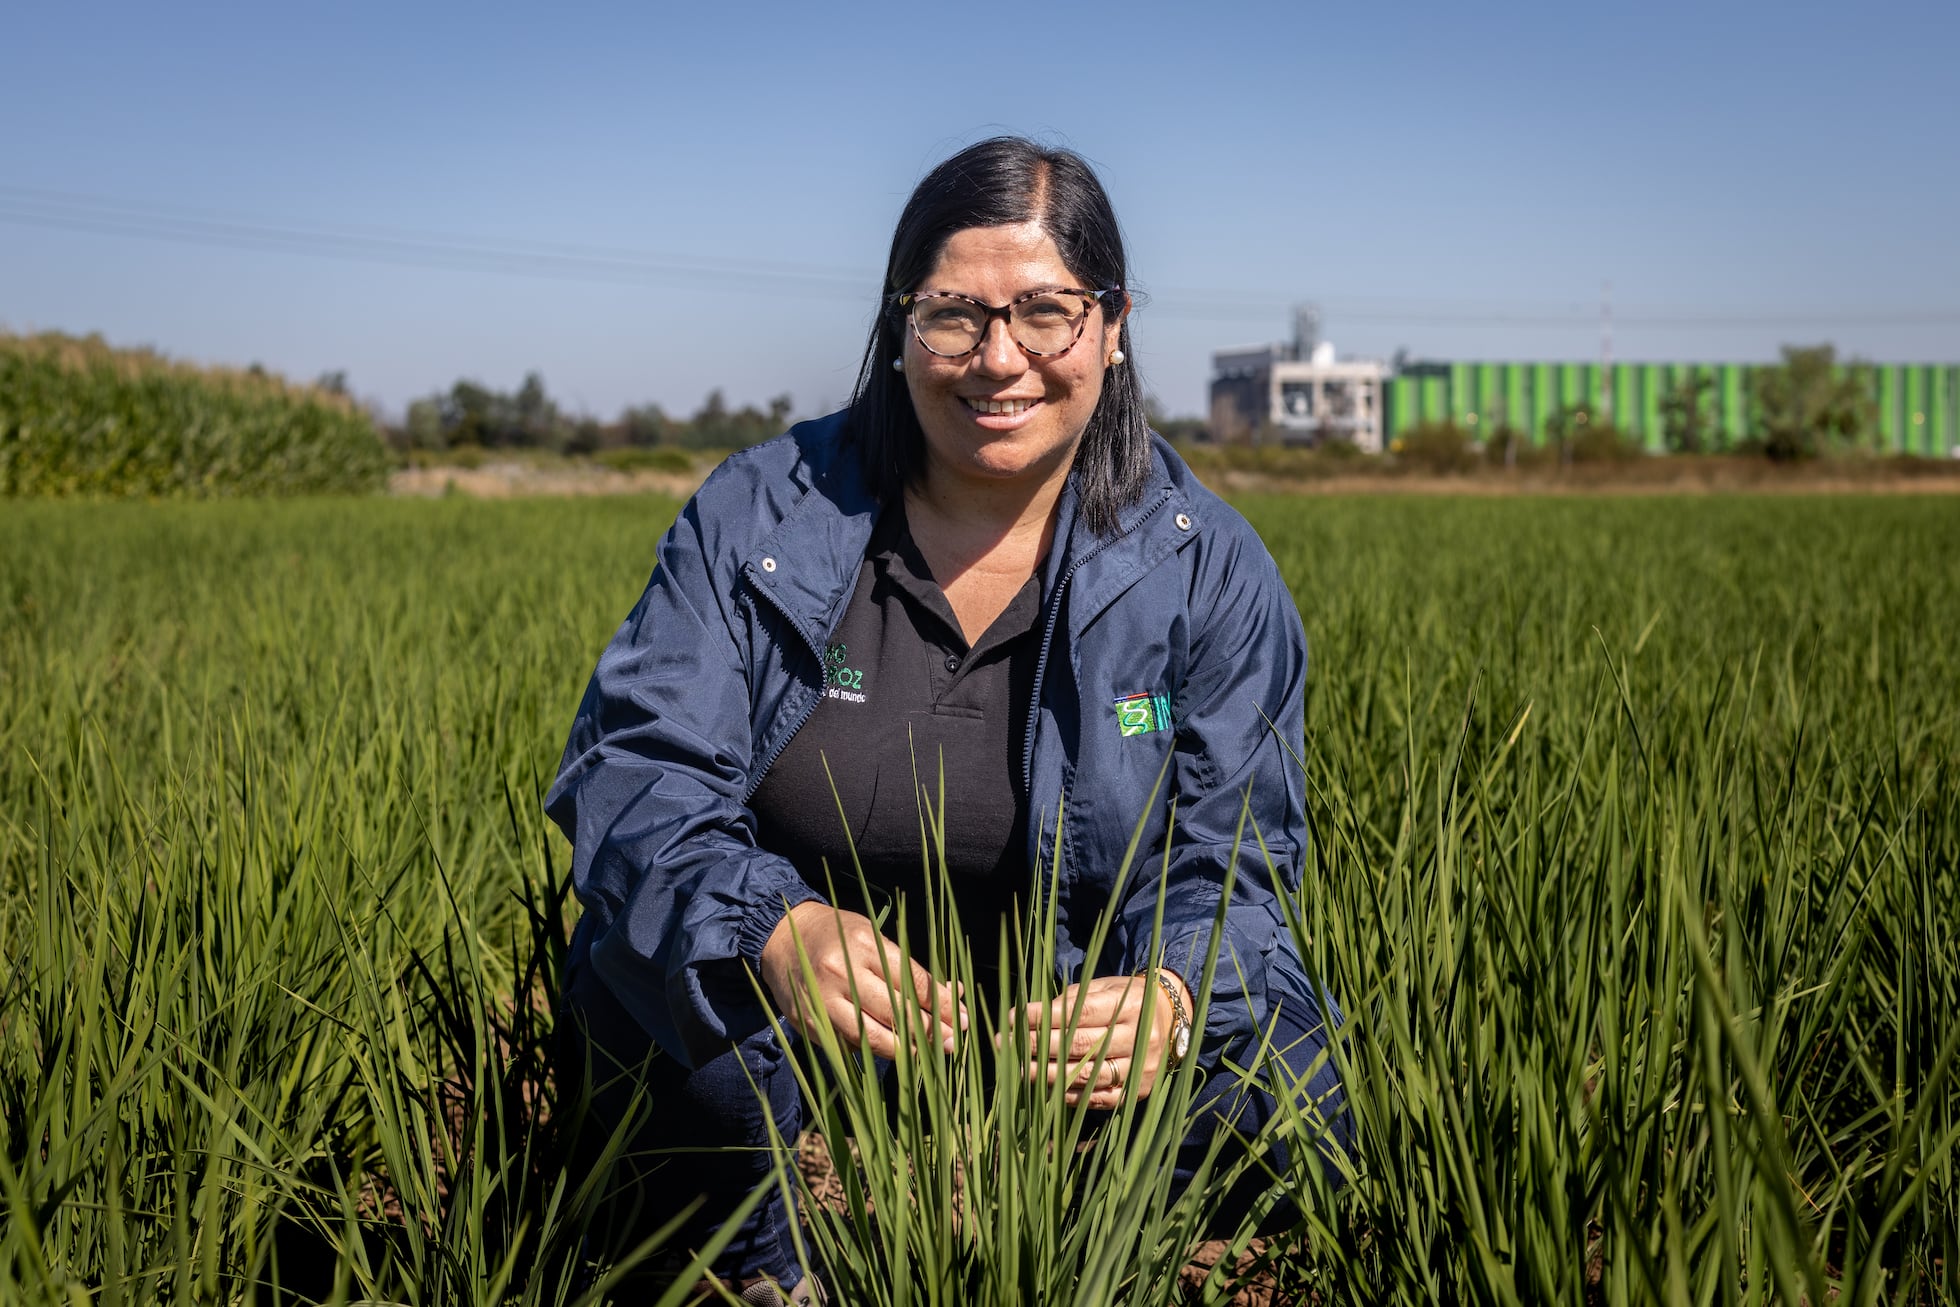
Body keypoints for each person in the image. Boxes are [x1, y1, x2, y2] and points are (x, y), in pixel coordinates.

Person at [547, 136, 1348, 1303]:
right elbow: (633, 773)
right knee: (663, 986)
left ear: (1114, 324)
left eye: (1045, 312)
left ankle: (1112, 1254)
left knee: (1291, 1068)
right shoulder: (760, 512)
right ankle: (766, 1270)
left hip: (1055, 1055)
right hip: (793, 1033)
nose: (998, 359)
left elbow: (1237, 861)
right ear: (899, 323)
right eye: (953, 316)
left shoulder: (1206, 568)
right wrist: (775, 928)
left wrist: (1171, 994)